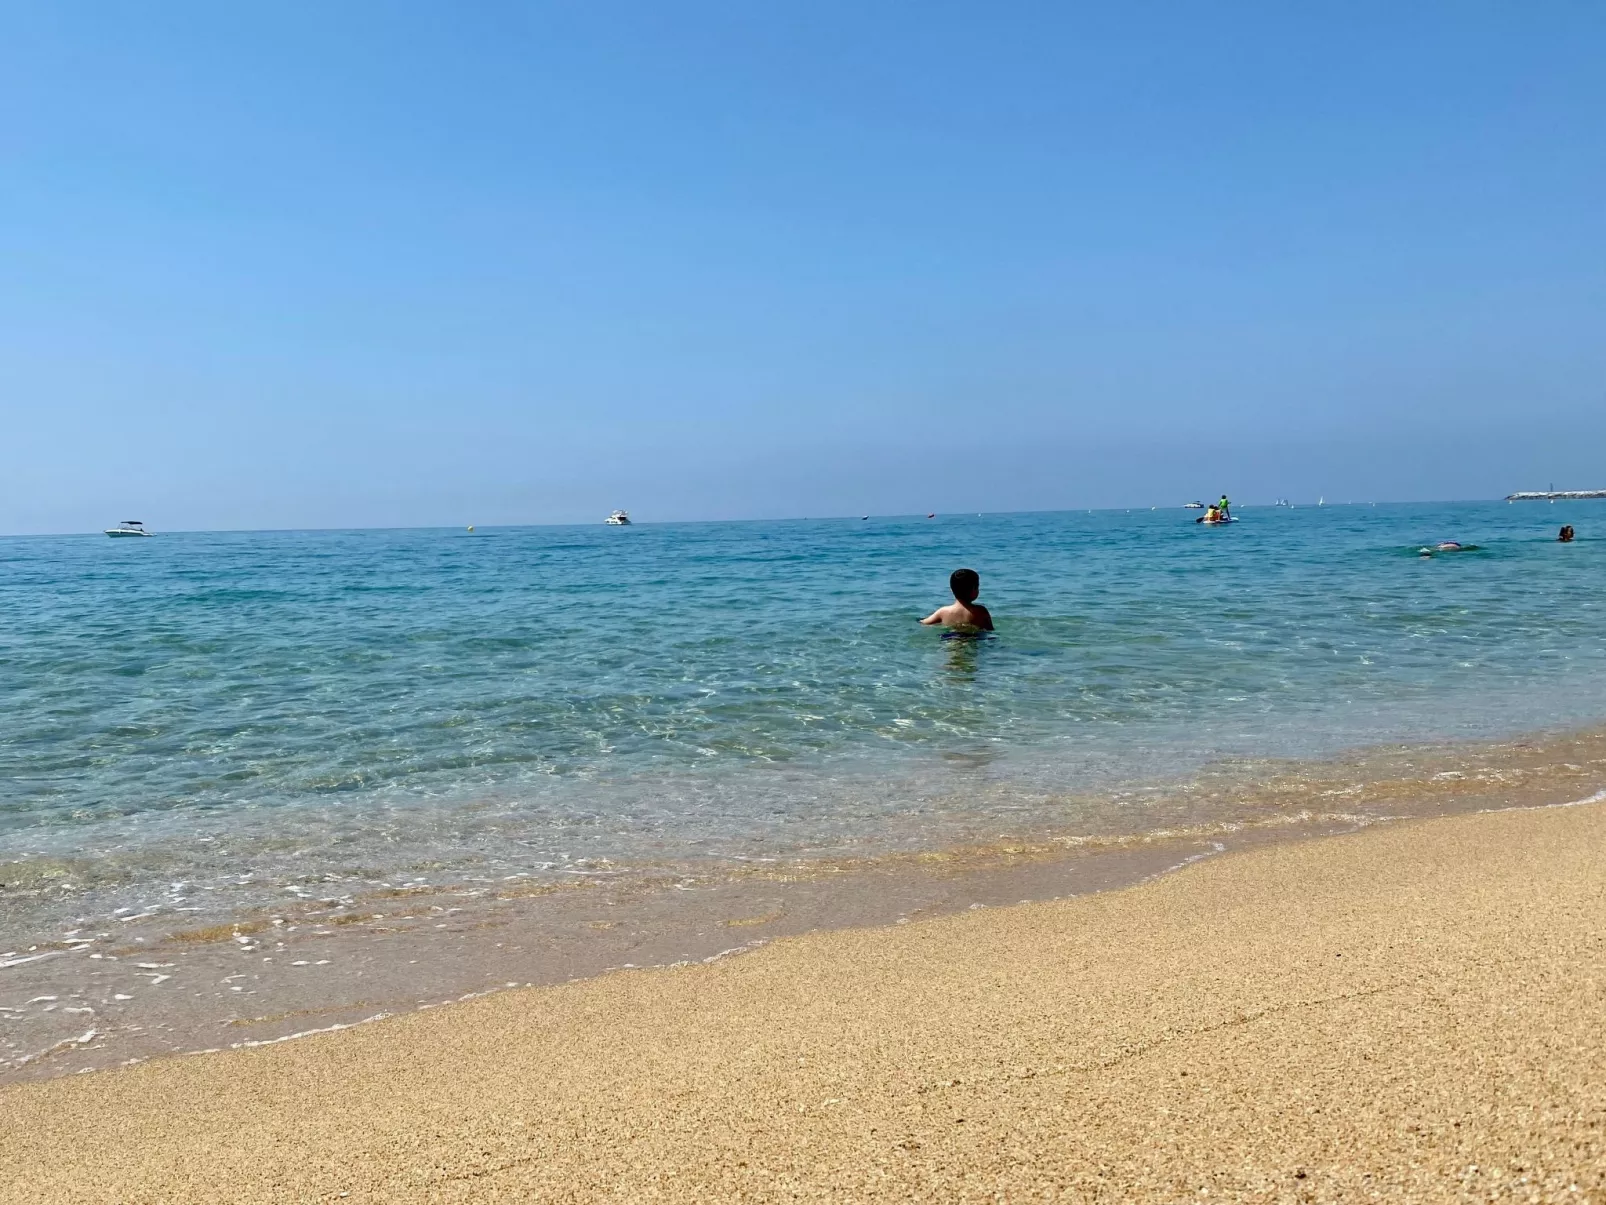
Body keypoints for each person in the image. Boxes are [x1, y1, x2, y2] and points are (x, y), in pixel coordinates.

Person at [920, 568, 994, 632]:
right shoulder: (981, 611)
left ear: (952, 589)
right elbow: (990, 630)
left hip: (950, 638)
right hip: (972, 638)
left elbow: (924, 622)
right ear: (974, 589)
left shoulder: (943, 612)